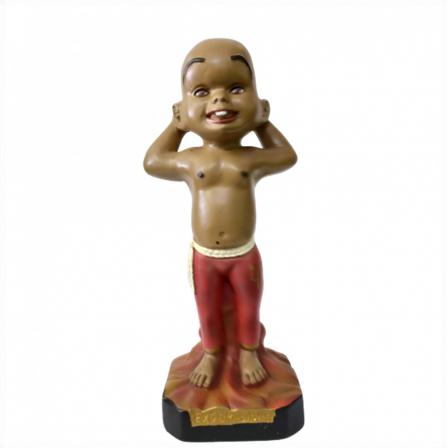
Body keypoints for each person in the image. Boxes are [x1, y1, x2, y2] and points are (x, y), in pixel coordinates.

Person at [144, 38, 297, 389]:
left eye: (236, 88)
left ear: (257, 100)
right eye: (201, 92)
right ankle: (211, 353)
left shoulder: (250, 159)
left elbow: (287, 156)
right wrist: (176, 126)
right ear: (182, 107)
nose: (220, 99)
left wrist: (263, 123)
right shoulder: (191, 160)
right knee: (207, 308)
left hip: (243, 254)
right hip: (206, 257)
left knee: (249, 305)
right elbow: (152, 161)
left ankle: (248, 352)